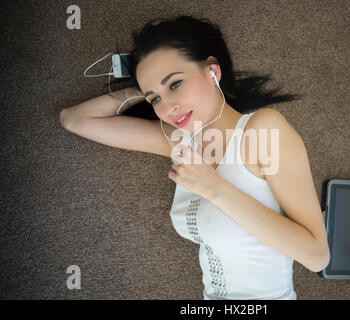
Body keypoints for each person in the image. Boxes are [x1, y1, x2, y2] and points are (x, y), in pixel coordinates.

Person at [60, 15, 312, 300]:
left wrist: (214, 188)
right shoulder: (180, 141)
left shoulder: (263, 129)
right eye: (155, 98)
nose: (168, 107)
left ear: (212, 71)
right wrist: (142, 89)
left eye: (175, 84)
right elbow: (74, 119)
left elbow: (316, 256)